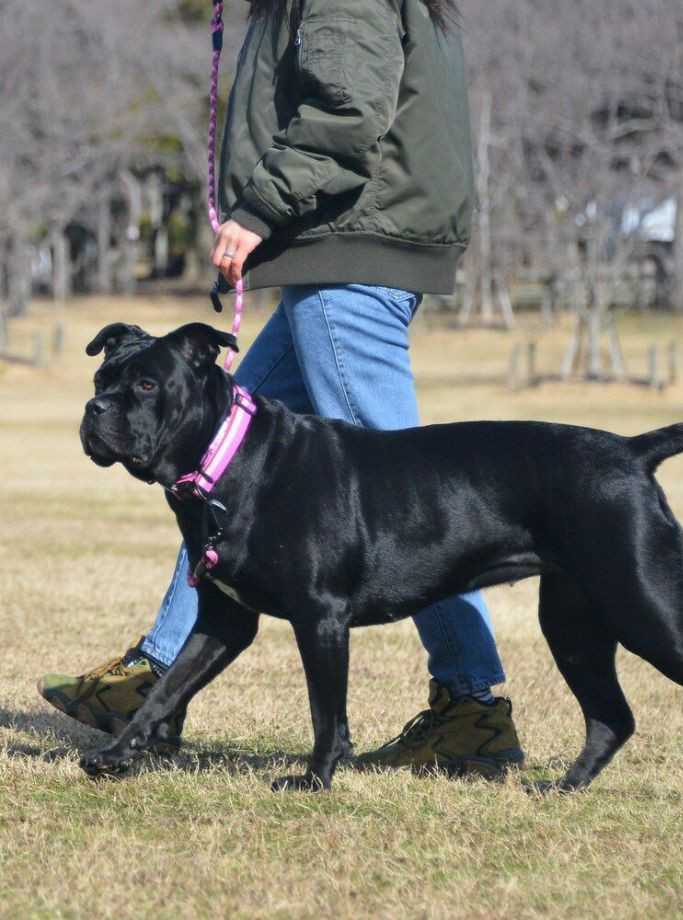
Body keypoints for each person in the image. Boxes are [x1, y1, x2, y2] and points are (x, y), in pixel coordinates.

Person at [38, 0, 523, 776]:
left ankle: (472, 707)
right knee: (216, 469)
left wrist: (262, 205)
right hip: (329, 256)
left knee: (413, 498)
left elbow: (348, 108)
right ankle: (157, 677)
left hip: (350, 254)